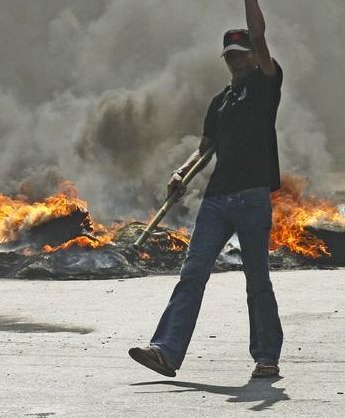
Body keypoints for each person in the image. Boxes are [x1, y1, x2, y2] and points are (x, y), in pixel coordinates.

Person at [129, 0, 284, 379]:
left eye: (243, 55)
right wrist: (181, 172)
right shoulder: (221, 102)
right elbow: (205, 146)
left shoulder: (266, 85)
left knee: (257, 279)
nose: (237, 61)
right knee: (193, 273)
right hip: (216, 200)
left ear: (254, 56)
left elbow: (261, 36)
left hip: (251, 198)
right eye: (230, 56)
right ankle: (165, 351)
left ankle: (266, 356)